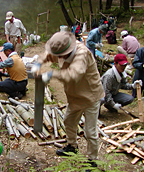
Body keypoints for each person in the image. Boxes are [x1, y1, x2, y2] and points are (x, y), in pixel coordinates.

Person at [31, 31, 104, 163]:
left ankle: (93, 160)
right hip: (75, 96)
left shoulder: (82, 54)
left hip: (90, 97)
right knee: (69, 121)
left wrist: (51, 74)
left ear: (66, 52)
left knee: (90, 132)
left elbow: (73, 74)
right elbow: (48, 55)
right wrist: (38, 63)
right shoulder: (63, 49)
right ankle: (72, 146)